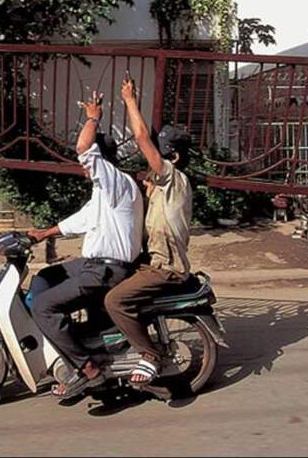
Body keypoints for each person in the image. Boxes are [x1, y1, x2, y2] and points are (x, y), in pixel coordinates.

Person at [26, 91, 144, 399]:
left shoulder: (115, 181)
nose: (84, 168)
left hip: (106, 270)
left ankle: (87, 368)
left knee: (43, 305)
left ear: (101, 161)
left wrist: (93, 117)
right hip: (95, 266)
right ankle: (72, 340)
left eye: (90, 163)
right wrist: (44, 233)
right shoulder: (105, 193)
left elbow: (82, 148)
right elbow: (81, 219)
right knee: (45, 278)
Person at [105, 75, 193, 387]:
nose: (152, 158)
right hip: (152, 261)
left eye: (160, 152)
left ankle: (149, 353)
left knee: (114, 301)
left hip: (166, 268)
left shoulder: (174, 178)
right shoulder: (160, 185)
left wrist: (130, 101)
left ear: (174, 157)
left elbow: (142, 139)